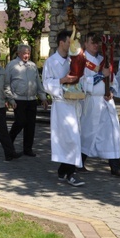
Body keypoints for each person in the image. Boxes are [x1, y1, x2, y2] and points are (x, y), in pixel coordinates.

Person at [79, 33, 120, 178]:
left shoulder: (103, 60)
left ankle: (115, 167)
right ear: (86, 44)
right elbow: (81, 82)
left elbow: (113, 80)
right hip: (91, 101)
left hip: (107, 102)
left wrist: (112, 91)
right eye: (92, 42)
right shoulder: (81, 60)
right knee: (88, 132)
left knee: (112, 133)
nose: (95, 45)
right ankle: (79, 163)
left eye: (97, 43)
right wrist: (101, 75)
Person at [43, 30, 85, 187]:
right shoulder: (51, 62)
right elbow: (46, 84)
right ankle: (71, 174)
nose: (71, 45)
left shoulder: (71, 60)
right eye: (69, 42)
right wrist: (63, 80)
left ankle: (63, 170)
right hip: (61, 105)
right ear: (62, 43)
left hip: (74, 104)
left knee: (74, 138)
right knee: (71, 139)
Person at [7, 45, 47, 156]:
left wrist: (43, 97)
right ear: (18, 53)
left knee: (30, 125)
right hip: (18, 99)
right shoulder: (12, 65)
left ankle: (27, 149)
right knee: (20, 122)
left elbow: (38, 82)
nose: (27, 55)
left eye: (28, 53)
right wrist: (9, 99)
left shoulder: (32, 66)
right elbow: (7, 83)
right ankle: (8, 143)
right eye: (25, 53)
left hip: (32, 99)